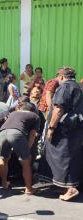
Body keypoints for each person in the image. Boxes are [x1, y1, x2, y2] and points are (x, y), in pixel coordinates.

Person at [45, 67, 83, 201]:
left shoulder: (65, 87)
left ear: (61, 77)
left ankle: (70, 188)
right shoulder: (78, 87)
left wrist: (51, 128)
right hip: (75, 130)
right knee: (70, 157)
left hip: (64, 131)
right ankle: (65, 185)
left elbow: (58, 109)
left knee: (61, 157)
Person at [0, 102, 40, 194]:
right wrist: (27, 148)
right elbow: (33, 134)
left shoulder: (13, 113)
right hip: (16, 133)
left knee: (3, 158)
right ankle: (29, 189)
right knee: (25, 161)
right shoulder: (35, 116)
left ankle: (4, 183)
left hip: (2, 132)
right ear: (32, 110)